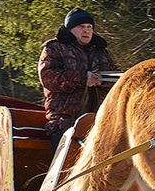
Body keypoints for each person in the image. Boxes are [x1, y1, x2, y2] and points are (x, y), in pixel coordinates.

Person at [38, 8, 118, 150]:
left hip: (98, 121)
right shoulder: (55, 48)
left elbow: (115, 77)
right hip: (64, 122)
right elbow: (48, 77)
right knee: (65, 163)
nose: (86, 30)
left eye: (89, 27)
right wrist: (83, 79)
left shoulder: (101, 52)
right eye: (81, 27)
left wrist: (101, 80)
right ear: (70, 29)